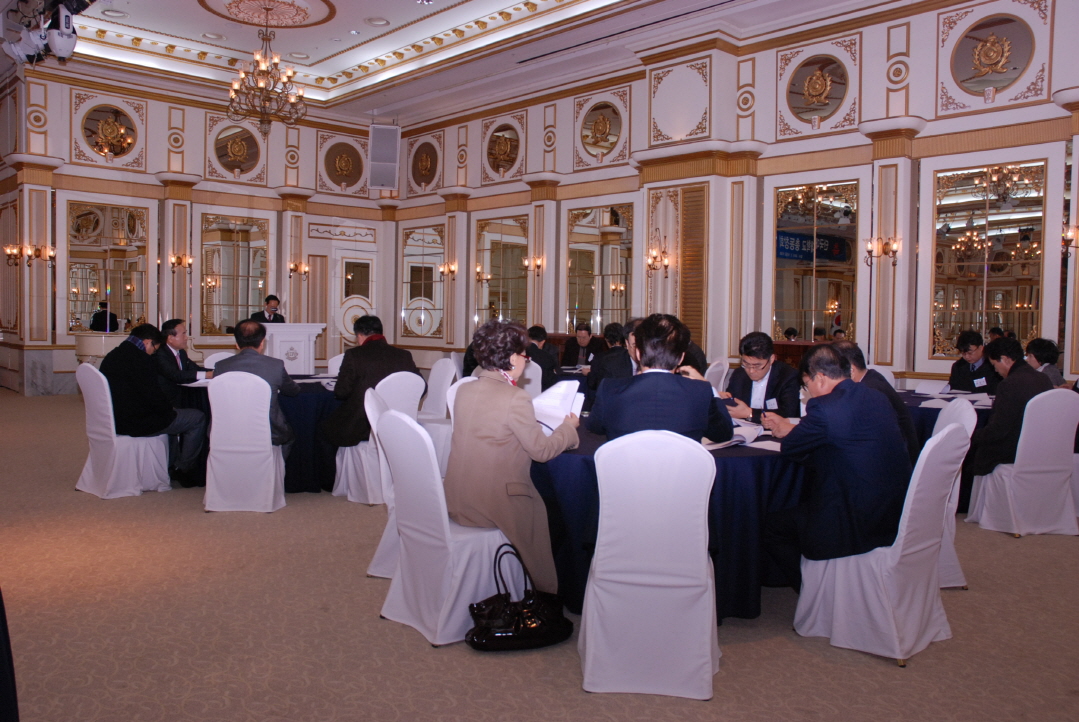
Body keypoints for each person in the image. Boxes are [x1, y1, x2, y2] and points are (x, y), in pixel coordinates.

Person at [443, 320, 579, 595]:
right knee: (557, 509)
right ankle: (547, 591)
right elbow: (541, 451)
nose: (526, 363)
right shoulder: (515, 398)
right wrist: (568, 429)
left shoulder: (464, 389)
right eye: (525, 356)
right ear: (513, 358)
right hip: (490, 503)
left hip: (455, 494)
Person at [760, 344, 912, 590]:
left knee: (771, 526)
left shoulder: (824, 407)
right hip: (891, 511)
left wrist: (788, 431)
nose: (807, 392)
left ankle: (812, 591)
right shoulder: (875, 395)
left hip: (852, 519)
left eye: (806, 385)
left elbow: (791, 448)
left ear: (820, 378)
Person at [586, 313, 733, 443]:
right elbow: (724, 434)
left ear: (638, 353)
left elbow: (595, 427)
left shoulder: (609, 389)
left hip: (626, 466)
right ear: (681, 358)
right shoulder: (701, 391)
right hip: (681, 467)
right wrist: (708, 387)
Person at [99, 323, 207, 482]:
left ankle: (169, 464)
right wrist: (170, 410)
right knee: (197, 418)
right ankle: (183, 468)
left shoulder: (112, 356)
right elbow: (154, 397)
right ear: (147, 342)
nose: (153, 352)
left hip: (114, 419)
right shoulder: (143, 360)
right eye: (155, 348)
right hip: (137, 422)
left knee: (173, 416)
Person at [320, 315, 421, 448]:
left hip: (361, 426)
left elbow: (341, 392)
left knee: (324, 428)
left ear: (360, 335)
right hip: (396, 423)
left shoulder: (354, 355)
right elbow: (421, 386)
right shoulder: (404, 356)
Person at [968, 337, 1053, 476]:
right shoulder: (1043, 378)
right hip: (1039, 448)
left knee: (968, 456)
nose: (995, 370)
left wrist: (970, 436)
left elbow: (999, 430)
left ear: (1005, 359)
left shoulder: (1009, 384)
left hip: (1013, 451)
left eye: (994, 364)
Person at [213, 320, 300, 450]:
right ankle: (276, 463)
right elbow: (293, 391)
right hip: (270, 433)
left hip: (227, 433)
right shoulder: (276, 365)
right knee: (290, 437)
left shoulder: (221, 366)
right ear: (262, 343)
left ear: (237, 344)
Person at [834, 341, 920, 465]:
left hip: (893, 463)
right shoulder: (872, 377)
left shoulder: (867, 391)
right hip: (897, 456)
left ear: (851, 370)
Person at [721, 332, 801, 420]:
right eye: (746, 364)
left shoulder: (788, 376)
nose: (751, 371)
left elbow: (787, 414)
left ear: (771, 359)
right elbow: (732, 407)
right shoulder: (739, 374)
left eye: (757, 366)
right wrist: (722, 401)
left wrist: (750, 413)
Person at [154, 319, 209, 407]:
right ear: (170, 338)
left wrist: (217, 371)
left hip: (182, 397)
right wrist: (207, 375)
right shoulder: (160, 354)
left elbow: (196, 368)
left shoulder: (181, 352)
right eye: (183, 334)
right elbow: (176, 375)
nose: (186, 338)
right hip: (166, 402)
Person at [587, 323, 633, 391]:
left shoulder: (599, 358)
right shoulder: (630, 356)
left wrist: (588, 374)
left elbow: (592, 383)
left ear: (606, 339)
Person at [525, 325, 559, 391]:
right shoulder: (547, 357)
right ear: (543, 342)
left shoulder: (518, 353)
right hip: (540, 392)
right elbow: (550, 381)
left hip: (519, 391)